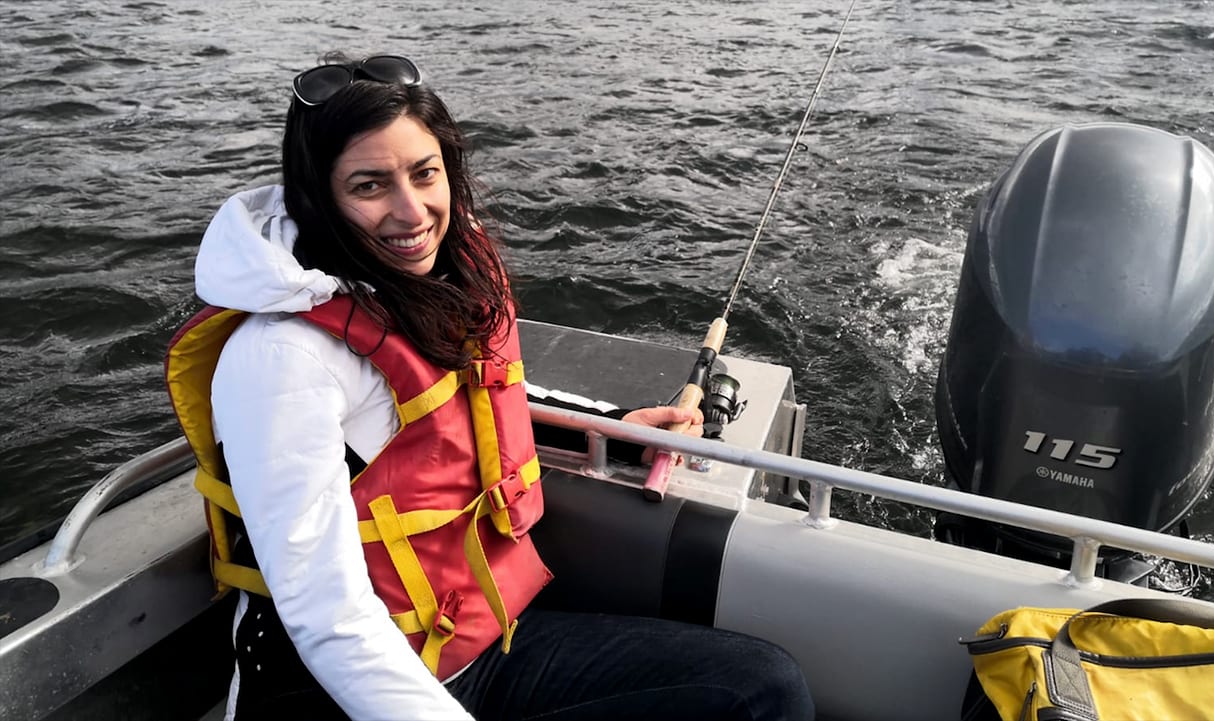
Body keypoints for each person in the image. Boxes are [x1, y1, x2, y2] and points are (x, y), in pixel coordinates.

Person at [164, 52, 815, 721]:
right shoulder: (281, 357)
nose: (410, 212)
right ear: (318, 195)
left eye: (425, 173)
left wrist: (614, 429)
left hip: (480, 644)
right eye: (369, 186)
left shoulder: (424, 280)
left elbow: (470, 404)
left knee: (762, 686)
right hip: (342, 692)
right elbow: (323, 611)